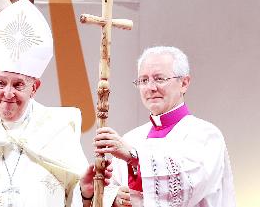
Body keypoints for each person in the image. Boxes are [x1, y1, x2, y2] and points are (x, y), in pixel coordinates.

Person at [0, 0, 112, 207]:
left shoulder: (56, 129)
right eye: (1, 83)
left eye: (18, 85)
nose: (8, 93)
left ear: (34, 87)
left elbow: (77, 195)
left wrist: (85, 191)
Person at [94, 46, 236, 207]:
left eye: (159, 79)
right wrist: (112, 198)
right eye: (143, 80)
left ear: (184, 83)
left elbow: (187, 186)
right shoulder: (131, 138)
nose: (151, 88)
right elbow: (111, 189)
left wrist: (134, 157)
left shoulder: (206, 135)